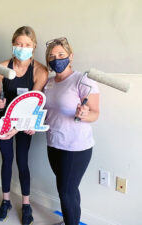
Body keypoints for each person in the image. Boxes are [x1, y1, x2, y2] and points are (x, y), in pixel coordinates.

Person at [0, 26, 48, 225]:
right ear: (13, 45)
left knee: (22, 162)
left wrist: (17, 127)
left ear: (33, 46)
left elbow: (34, 103)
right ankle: (6, 200)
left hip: (25, 123)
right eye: (18, 44)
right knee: (6, 160)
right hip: (4, 119)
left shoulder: (40, 71)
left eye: (26, 44)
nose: (22, 48)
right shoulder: (1, 66)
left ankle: (26, 204)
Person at [43, 37, 99, 225]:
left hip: (76, 147)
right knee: (69, 189)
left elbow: (95, 113)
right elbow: (45, 112)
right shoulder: (49, 83)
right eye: (52, 56)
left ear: (71, 56)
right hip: (53, 143)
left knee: (66, 191)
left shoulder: (82, 80)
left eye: (61, 55)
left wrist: (84, 113)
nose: (56, 59)